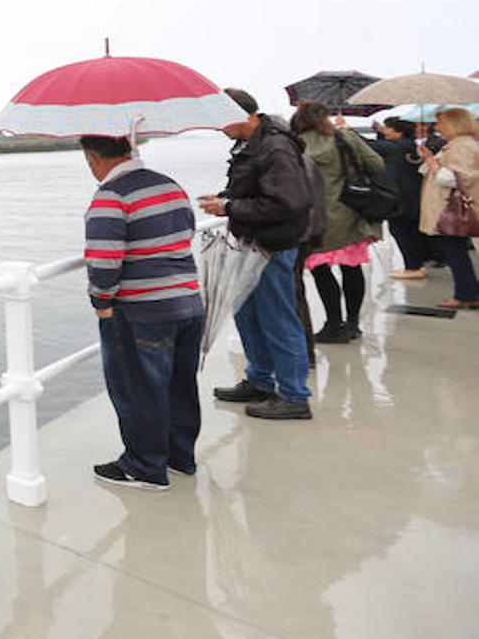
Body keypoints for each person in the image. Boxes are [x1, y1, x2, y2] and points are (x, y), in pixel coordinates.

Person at [79, 136, 205, 490]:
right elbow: (188, 232)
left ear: (92, 157)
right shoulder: (170, 185)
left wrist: (101, 303)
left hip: (142, 310)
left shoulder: (110, 196)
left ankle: (145, 467)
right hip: (188, 303)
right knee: (181, 385)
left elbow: (103, 261)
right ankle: (181, 457)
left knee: (139, 390)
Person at [197, 88, 315, 420]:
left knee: (278, 319)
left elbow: (287, 201)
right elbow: (260, 189)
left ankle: (294, 395)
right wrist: (225, 198)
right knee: (247, 314)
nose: (220, 129)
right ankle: (261, 380)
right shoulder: (254, 144)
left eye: (222, 122)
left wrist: (230, 206)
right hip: (252, 243)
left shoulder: (275, 147)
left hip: (271, 246)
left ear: (244, 115)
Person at [289, 102, 385, 342]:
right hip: (350, 211)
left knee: (321, 271)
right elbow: (377, 165)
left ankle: (333, 323)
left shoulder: (294, 145)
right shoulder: (345, 138)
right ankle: (352, 325)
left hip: (315, 217)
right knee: (351, 269)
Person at [416, 107, 479, 309]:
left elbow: (457, 178)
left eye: (441, 123)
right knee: (455, 250)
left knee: (455, 251)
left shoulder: (461, 147)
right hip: (450, 207)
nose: (438, 128)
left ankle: (465, 294)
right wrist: (428, 158)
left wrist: (434, 165)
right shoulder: (456, 145)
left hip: (451, 208)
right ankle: (468, 292)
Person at [368, 117, 428, 278]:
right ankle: (417, 264)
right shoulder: (410, 145)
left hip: (399, 197)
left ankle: (412, 267)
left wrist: (346, 130)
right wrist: (380, 132)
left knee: (400, 231)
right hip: (413, 195)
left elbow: (370, 147)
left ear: (399, 132)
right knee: (412, 231)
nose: (385, 131)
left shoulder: (396, 147)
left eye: (388, 129)